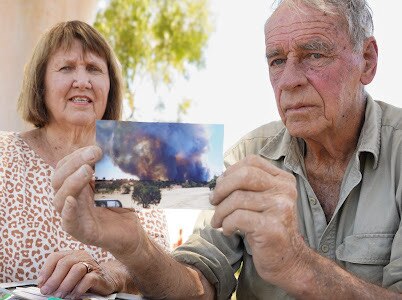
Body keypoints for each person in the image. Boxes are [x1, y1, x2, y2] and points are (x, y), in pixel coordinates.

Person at [50, 0, 402, 299]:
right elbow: (196, 284)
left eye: (314, 54)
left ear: (367, 60)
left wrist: (298, 265)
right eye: (277, 61)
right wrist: (134, 248)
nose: (290, 80)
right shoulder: (246, 157)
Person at [0, 20, 170, 297]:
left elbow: (160, 262)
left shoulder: (136, 161)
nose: (82, 81)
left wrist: (111, 274)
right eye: (66, 68)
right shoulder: (3, 154)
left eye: (93, 69)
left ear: (109, 86)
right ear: (40, 83)